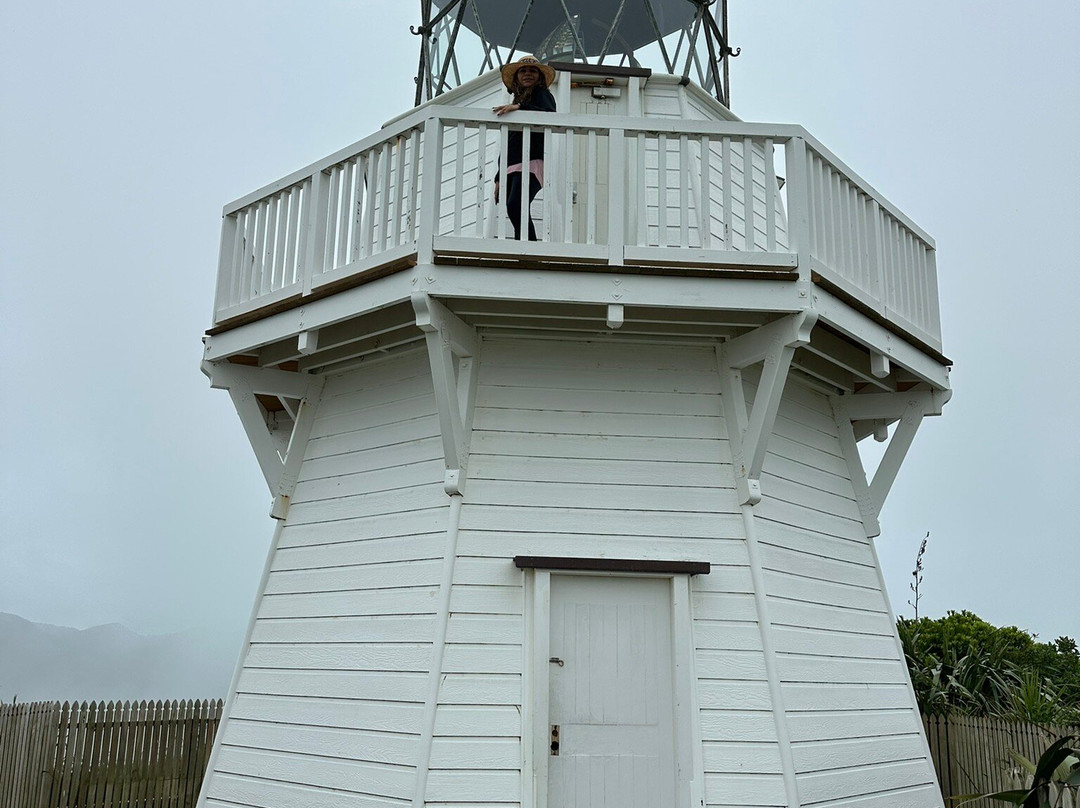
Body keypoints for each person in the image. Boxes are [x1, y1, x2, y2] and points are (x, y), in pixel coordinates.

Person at [492, 55, 557, 241]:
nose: (527, 74)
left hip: (531, 159)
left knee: (516, 204)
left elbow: (548, 113)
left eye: (532, 71)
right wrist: (498, 176)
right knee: (512, 206)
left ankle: (529, 247)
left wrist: (519, 107)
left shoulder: (542, 94)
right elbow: (508, 142)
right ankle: (524, 244)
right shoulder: (515, 101)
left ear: (539, 76)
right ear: (516, 77)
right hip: (510, 163)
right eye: (523, 71)